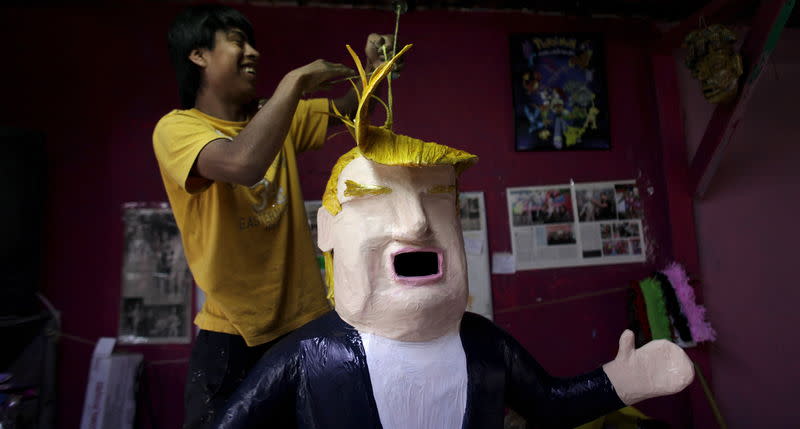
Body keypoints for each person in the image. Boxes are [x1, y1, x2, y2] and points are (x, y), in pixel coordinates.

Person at [212, 46, 694, 429]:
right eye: (376, 199)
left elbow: (549, 404)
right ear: (328, 231)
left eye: (440, 200)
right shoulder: (307, 355)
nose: (418, 223)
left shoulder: (484, 345)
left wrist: (618, 383)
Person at [152, 4, 396, 429]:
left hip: (307, 321)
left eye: (252, 43)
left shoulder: (274, 116)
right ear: (198, 56)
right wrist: (295, 82)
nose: (253, 52)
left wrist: (374, 68)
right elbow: (242, 164)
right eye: (236, 42)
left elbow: (352, 107)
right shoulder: (176, 128)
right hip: (232, 335)